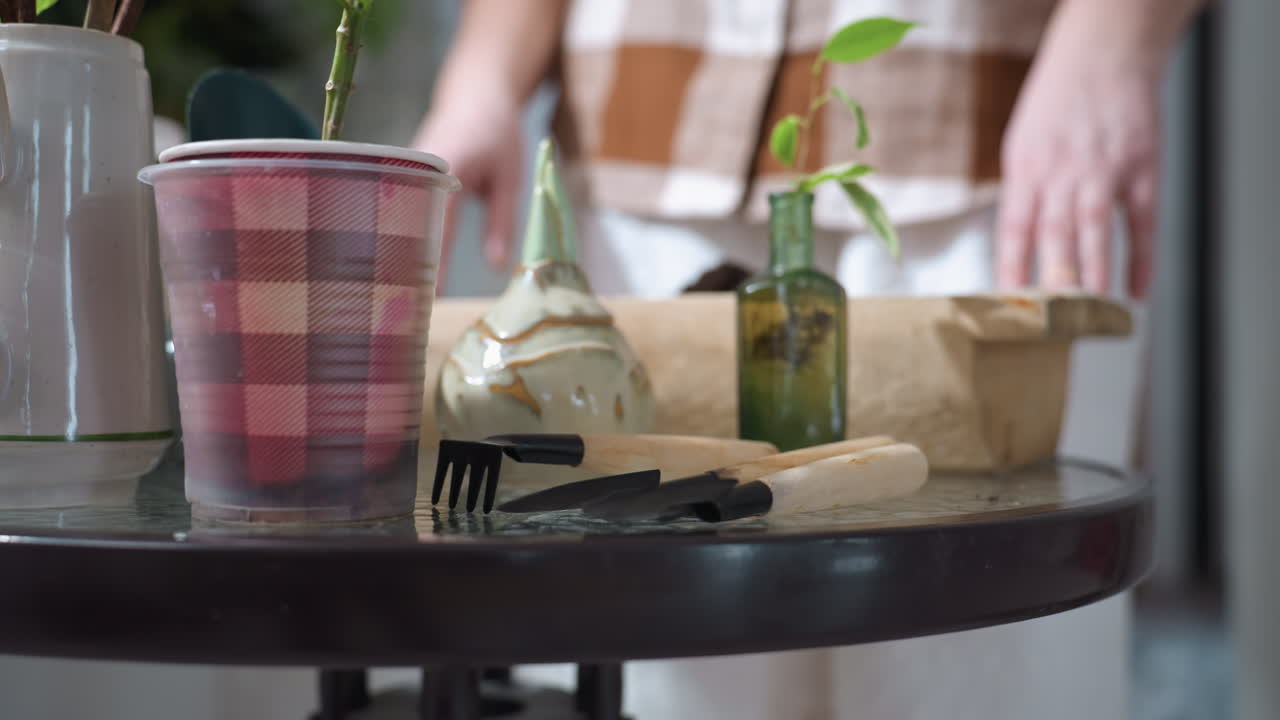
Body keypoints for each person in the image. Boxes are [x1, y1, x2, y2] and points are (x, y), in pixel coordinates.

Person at [414, 1, 1206, 718]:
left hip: (1003, 154)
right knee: (662, 683)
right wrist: (481, 73)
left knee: (978, 667)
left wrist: (1113, 39)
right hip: (638, 158)